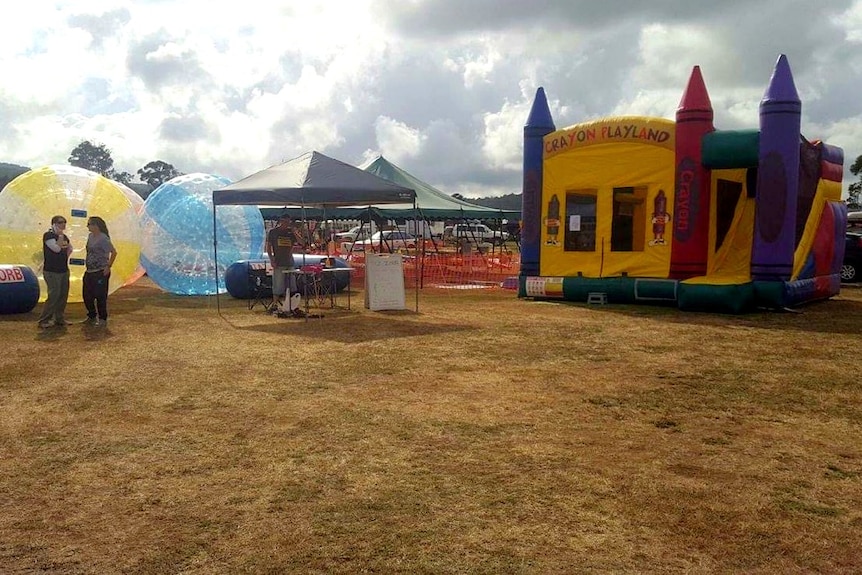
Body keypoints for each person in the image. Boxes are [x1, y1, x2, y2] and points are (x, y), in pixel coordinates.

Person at [37, 215, 73, 328]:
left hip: (63, 270)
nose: (63, 225)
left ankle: (59, 318)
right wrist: (60, 236)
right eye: (60, 222)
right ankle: (44, 319)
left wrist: (64, 259)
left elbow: (70, 249)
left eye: (64, 223)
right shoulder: (48, 236)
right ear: (54, 224)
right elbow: (56, 249)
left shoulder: (65, 237)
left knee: (63, 295)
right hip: (52, 271)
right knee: (54, 295)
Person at [82, 216, 117, 327]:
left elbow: (114, 252)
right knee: (87, 295)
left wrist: (108, 266)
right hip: (90, 270)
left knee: (100, 295)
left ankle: (102, 318)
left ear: (96, 225)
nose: (87, 226)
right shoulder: (90, 236)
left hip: (100, 271)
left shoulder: (103, 238)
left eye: (89, 224)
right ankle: (91, 315)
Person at [266, 214, 303, 314]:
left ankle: (292, 305)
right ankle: (274, 304)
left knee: (292, 285)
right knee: (278, 284)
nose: (286, 224)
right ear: (280, 221)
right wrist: (272, 260)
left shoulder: (290, 233)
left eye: (288, 222)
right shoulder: (273, 232)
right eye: (284, 222)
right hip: (278, 262)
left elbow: (302, 243)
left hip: (289, 262)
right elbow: (268, 247)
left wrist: (295, 232)